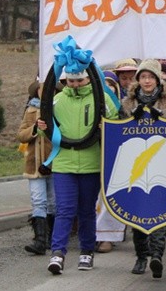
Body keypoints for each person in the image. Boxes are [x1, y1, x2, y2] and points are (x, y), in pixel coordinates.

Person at [38, 54, 119, 275]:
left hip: (92, 163)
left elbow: (118, 122)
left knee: (86, 211)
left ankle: (86, 251)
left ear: (88, 78)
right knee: (64, 209)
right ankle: (58, 254)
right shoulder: (57, 100)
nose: (74, 84)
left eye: (79, 80)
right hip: (64, 163)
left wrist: (106, 130)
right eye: (71, 80)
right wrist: (41, 125)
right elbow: (46, 128)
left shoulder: (101, 97)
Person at [120, 59, 166, 278]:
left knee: (160, 213)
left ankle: (156, 255)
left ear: (157, 80)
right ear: (139, 80)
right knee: (138, 215)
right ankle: (141, 256)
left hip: (161, 165)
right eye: (143, 77)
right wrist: (131, 121)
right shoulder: (127, 104)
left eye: (151, 77)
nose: (147, 81)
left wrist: (161, 119)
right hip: (136, 166)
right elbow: (117, 134)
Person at [17, 80, 55, 255]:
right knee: (38, 200)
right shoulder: (30, 110)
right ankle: (40, 240)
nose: (45, 92)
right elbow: (21, 135)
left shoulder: (58, 108)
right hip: (34, 165)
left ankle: (52, 238)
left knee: (53, 202)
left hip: (54, 164)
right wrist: (34, 128)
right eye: (42, 88)